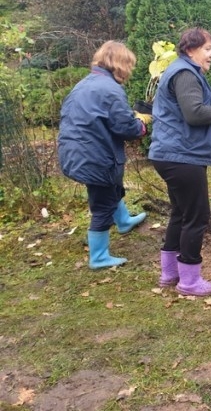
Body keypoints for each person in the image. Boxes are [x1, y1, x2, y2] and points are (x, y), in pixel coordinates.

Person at [149, 27, 211, 297]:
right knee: (197, 215)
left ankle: (170, 273)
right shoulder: (184, 73)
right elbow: (194, 114)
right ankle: (189, 281)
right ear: (190, 49)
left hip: (172, 154)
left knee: (181, 213)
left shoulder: (183, 71)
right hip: (181, 156)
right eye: (207, 49)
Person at [58, 41, 149, 270]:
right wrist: (141, 124)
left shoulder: (85, 83)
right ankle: (98, 257)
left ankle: (124, 221)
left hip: (75, 152)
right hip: (94, 156)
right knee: (103, 204)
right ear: (120, 64)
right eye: (129, 65)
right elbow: (125, 128)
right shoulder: (110, 89)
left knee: (109, 188)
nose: (130, 71)